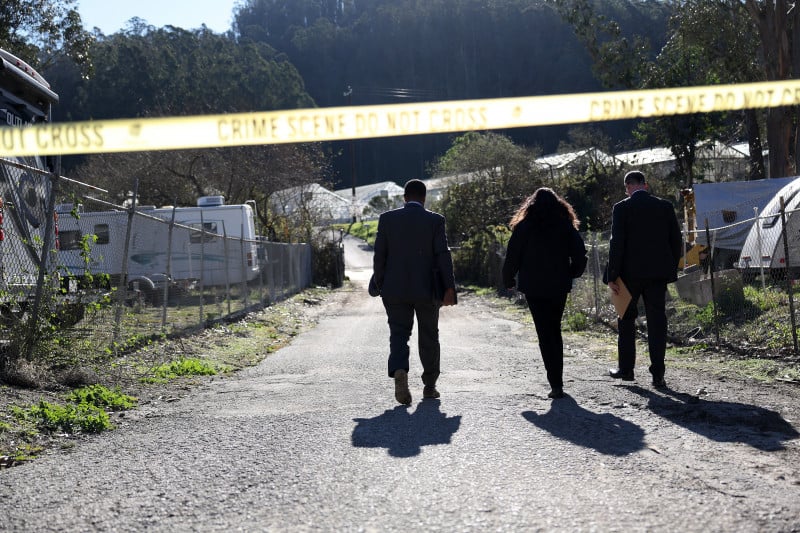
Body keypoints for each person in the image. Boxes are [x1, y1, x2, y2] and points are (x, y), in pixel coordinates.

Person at [371, 179, 457, 405]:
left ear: (404, 197)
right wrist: (449, 287)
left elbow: (379, 256)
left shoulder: (387, 219)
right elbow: (442, 255)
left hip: (394, 289)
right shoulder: (435, 220)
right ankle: (429, 386)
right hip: (427, 290)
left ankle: (400, 370)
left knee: (399, 334)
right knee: (429, 335)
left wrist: (380, 283)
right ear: (424, 198)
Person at [501, 188, 587, 399]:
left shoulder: (524, 227)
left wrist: (508, 279)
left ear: (531, 204)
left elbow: (512, 255)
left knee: (544, 332)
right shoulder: (565, 225)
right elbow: (579, 253)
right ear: (558, 204)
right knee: (555, 329)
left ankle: (555, 383)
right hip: (558, 284)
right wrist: (573, 272)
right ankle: (557, 381)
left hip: (534, 285)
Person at [605, 170, 682, 389]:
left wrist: (612, 275)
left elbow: (616, 243)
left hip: (629, 276)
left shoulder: (621, 208)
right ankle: (658, 374)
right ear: (645, 185)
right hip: (657, 275)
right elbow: (676, 240)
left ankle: (627, 369)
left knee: (626, 319)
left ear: (628, 186)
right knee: (657, 322)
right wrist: (670, 268)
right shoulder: (665, 207)